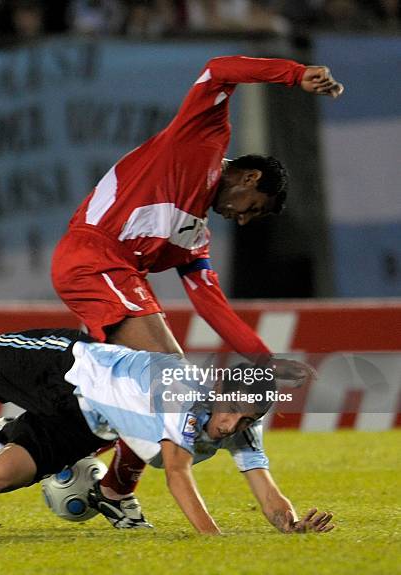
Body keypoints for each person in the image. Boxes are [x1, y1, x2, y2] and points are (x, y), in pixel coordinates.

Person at [51, 55, 342, 526]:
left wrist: (264, 359)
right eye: (253, 208)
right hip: (92, 259)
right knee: (171, 380)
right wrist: (293, 74)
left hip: (115, 274)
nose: (243, 219)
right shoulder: (200, 141)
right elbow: (218, 68)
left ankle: (104, 480)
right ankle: (94, 471)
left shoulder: (195, 236)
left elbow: (211, 305)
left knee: (162, 387)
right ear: (249, 178)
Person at [0, 291, 335, 535]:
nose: (230, 428)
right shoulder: (185, 393)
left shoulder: (242, 425)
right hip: (63, 368)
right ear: (219, 392)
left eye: (245, 422)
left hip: (87, 421)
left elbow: (266, 490)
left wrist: (289, 526)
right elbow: (177, 476)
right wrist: (213, 540)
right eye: (232, 415)